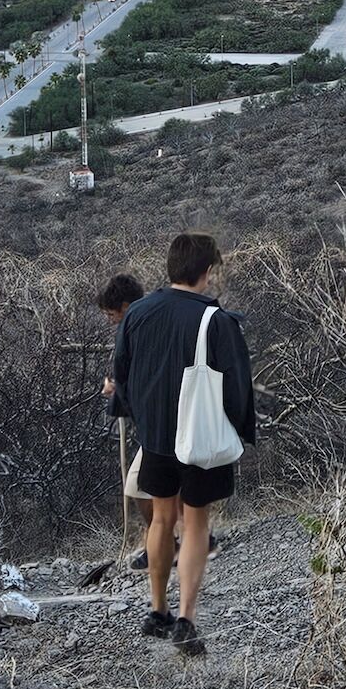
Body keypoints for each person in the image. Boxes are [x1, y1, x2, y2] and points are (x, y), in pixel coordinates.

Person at [112, 230, 255, 658]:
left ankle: (157, 611)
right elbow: (238, 387)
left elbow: (122, 373)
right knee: (195, 524)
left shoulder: (137, 313)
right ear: (207, 273)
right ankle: (186, 619)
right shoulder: (217, 320)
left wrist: (142, 416)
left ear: (172, 267)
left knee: (160, 519)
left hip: (154, 436)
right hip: (200, 440)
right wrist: (241, 430)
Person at [97, 272, 152, 546]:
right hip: (178, 416)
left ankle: (164, 541)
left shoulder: (133, 328)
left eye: (111, 314)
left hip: (161, 424)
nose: (111, 320)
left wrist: (115, 391)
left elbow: (143, 379)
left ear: (125, 306)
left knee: (139, 487)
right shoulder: (153, 322)